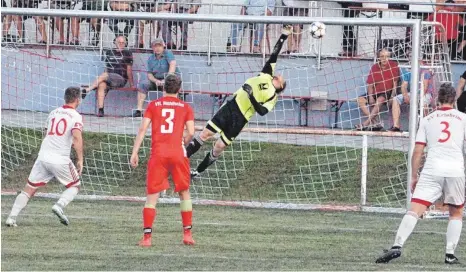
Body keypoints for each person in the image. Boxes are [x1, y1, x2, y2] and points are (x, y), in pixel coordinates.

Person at [375, 83, 465, 265]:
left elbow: (418, 151)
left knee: (415, 210)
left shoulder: (427, 120)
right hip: (455, 169)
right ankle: (449, 254)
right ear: (454, 99)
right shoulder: (463, 118)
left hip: (432, 169)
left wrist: (414, 177)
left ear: (437, 100)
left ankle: (397, 246)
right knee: (456, 213)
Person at [186, 27, 290, 178]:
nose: (280, 76)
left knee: (219, 147)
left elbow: (261, 112)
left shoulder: (273, 97)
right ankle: (181, 158)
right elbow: (274, 53)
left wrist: (251, 96)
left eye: (283, 80)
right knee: (206, 133)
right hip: (231, 106)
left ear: (281, 86)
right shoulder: (267, 74)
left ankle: (197, 172)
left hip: (241, 119)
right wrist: (283, 36)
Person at [130, 74, 195, 247]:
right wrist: (183, 142)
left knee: (152, 196)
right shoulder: (185, 107)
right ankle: (187, 235)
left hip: (158, 154)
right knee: (184, 192)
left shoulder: (153, 105)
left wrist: (134, 152)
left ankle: (147, 238)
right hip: (177, 153)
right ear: (179, 90)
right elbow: (191, 132)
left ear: (163, 88)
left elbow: (143, 129)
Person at [5, 87, 84, 227]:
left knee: (29, 188)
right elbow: (77, 138)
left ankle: (11, 217)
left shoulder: (53, 113)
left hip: (43, 156)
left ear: (65, 98)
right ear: (78, 100)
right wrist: (80, 160)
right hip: (60, 158)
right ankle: (59, 205)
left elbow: (46, 133)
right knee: (75, 185)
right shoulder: (76, 116)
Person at [82, 35, 134, 117]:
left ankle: (87, 89)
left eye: (123, 42)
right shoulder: (109, 52)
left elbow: (129, 71)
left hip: (120, 79)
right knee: (102, 85)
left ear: (125, 44)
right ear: (115, 43)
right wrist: (102, 79)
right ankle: (101, 110)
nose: (121, 44)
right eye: (119, 42)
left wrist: (132, 84)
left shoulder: (127, 53)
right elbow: (107, 68)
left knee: (105, 75)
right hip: (109, 78)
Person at [134, 38, 179, 117]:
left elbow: (172, 65)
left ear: (163, 46)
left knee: (169, 85)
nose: (157, 48)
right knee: (143, 84)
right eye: (155, 46)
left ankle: (167, 112)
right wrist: (156, 81)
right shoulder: (150, 59)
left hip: (170, 79)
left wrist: (166, 79)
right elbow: (149, 74)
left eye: (159, 46)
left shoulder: (168, 53)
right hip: (157, 80)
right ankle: (139, 110)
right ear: (152, 48)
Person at [356, 48, 400, 131]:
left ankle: (365, 124)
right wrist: (371, 96)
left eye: (387, 56)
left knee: (380, 100)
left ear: (390, 57)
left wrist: (392, 97)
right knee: (360, 100)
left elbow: (395, 84)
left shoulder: (394, 65)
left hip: (387, 92)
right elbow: (370, 85)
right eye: (382, 56)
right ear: (378, 57)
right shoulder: (375, 67)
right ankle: (375, 123)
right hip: (375, 92)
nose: (384, 59)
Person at [389, 61, 434, 132]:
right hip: (413, 94)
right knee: (396, 99)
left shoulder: (425, 71)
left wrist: (415, 100)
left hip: (425, 94)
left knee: (424, 103)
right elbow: (403, 86)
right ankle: (396, 126)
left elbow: (424, 88)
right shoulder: (409, 71)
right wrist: (406, 96)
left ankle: (425, 127)